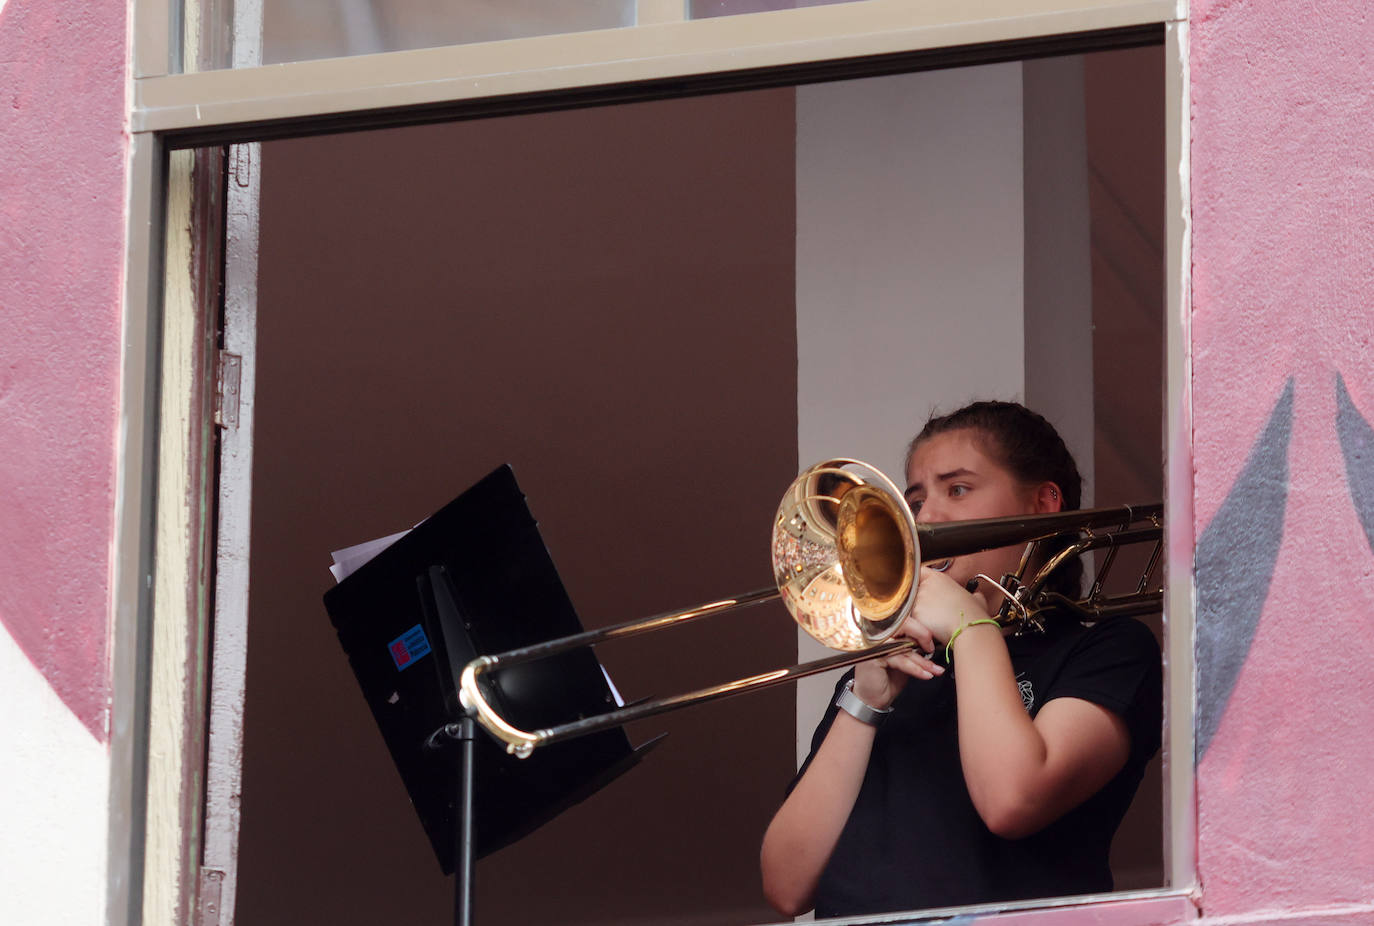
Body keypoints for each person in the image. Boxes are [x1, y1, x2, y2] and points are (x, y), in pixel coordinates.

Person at [759, 401, 1162, 918]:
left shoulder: (1107, 649)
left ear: (1043, 503)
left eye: (958, 489)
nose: (925, 518)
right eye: (916, 499)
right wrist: (864, 704)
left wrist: (973, 630)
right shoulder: (894, 667)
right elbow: (786, 887)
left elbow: (1013, 801)